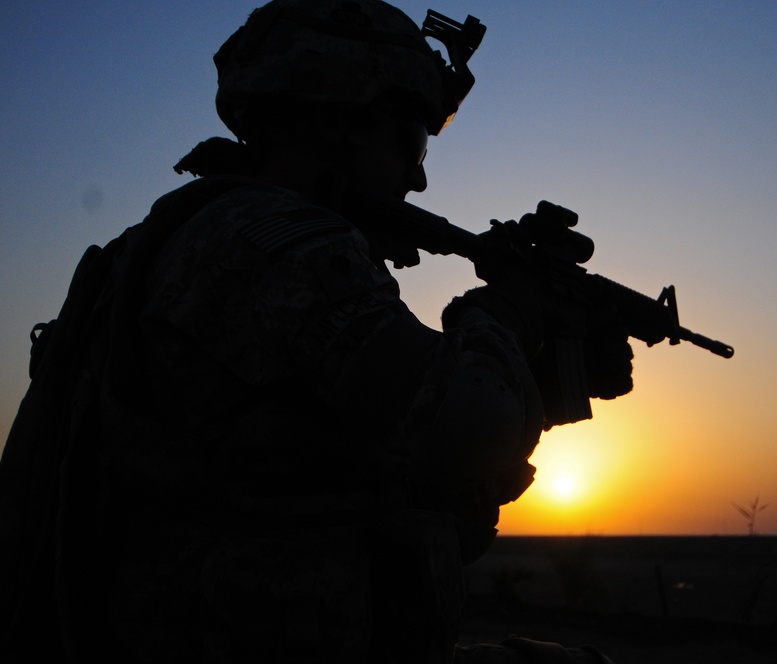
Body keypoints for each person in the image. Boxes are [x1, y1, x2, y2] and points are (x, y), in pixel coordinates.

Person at [0, 1, 631, 661]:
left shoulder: (211, 235)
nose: (417, 177)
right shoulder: (276, 244)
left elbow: (369, 453)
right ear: (338, 124)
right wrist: (505, 313)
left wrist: (544, 381)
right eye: (409, 143)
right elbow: (468, 423)